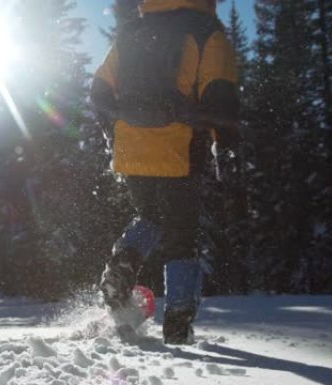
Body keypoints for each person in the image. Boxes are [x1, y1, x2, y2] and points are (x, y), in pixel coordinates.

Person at [90, 0, 240, 344]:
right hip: (179, 148)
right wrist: (226, 148)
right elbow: (220, 98)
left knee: (152, 217)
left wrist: (116, 133)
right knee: (181, 237)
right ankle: (177, 322)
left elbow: (98, 91)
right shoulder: (206, 30)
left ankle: (122, 264)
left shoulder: (132, 32)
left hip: (132, 148)